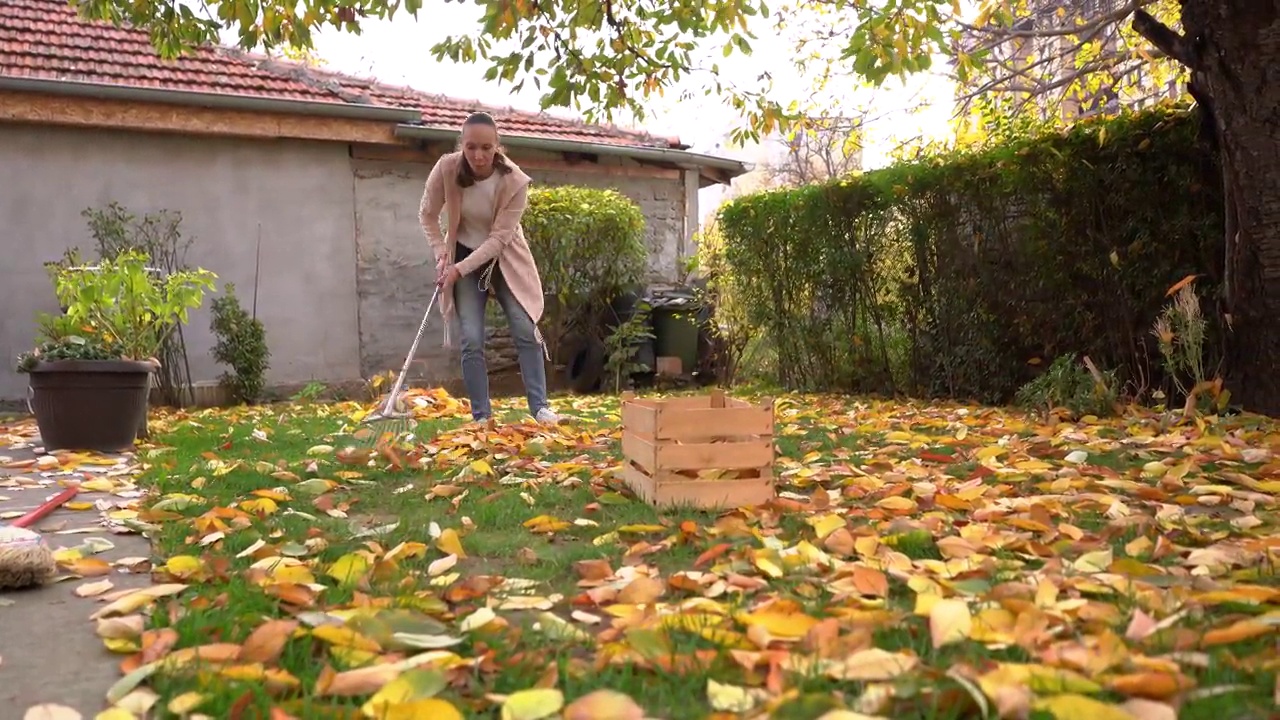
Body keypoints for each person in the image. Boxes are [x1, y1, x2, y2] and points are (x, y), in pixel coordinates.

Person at [418, 111, 563, 426]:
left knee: (525, 329)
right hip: (464, 254)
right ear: (462, 145)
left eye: (486, 147)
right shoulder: (446, 168)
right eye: (471, 147)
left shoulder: (515, 180)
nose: (478, 155)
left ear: (498, 146)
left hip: (505, 257)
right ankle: (481, 415)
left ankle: (540, 408)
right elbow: (428, 215)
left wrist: (458, 269)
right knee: (471, 337)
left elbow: (498, 240)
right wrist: (443, 252)